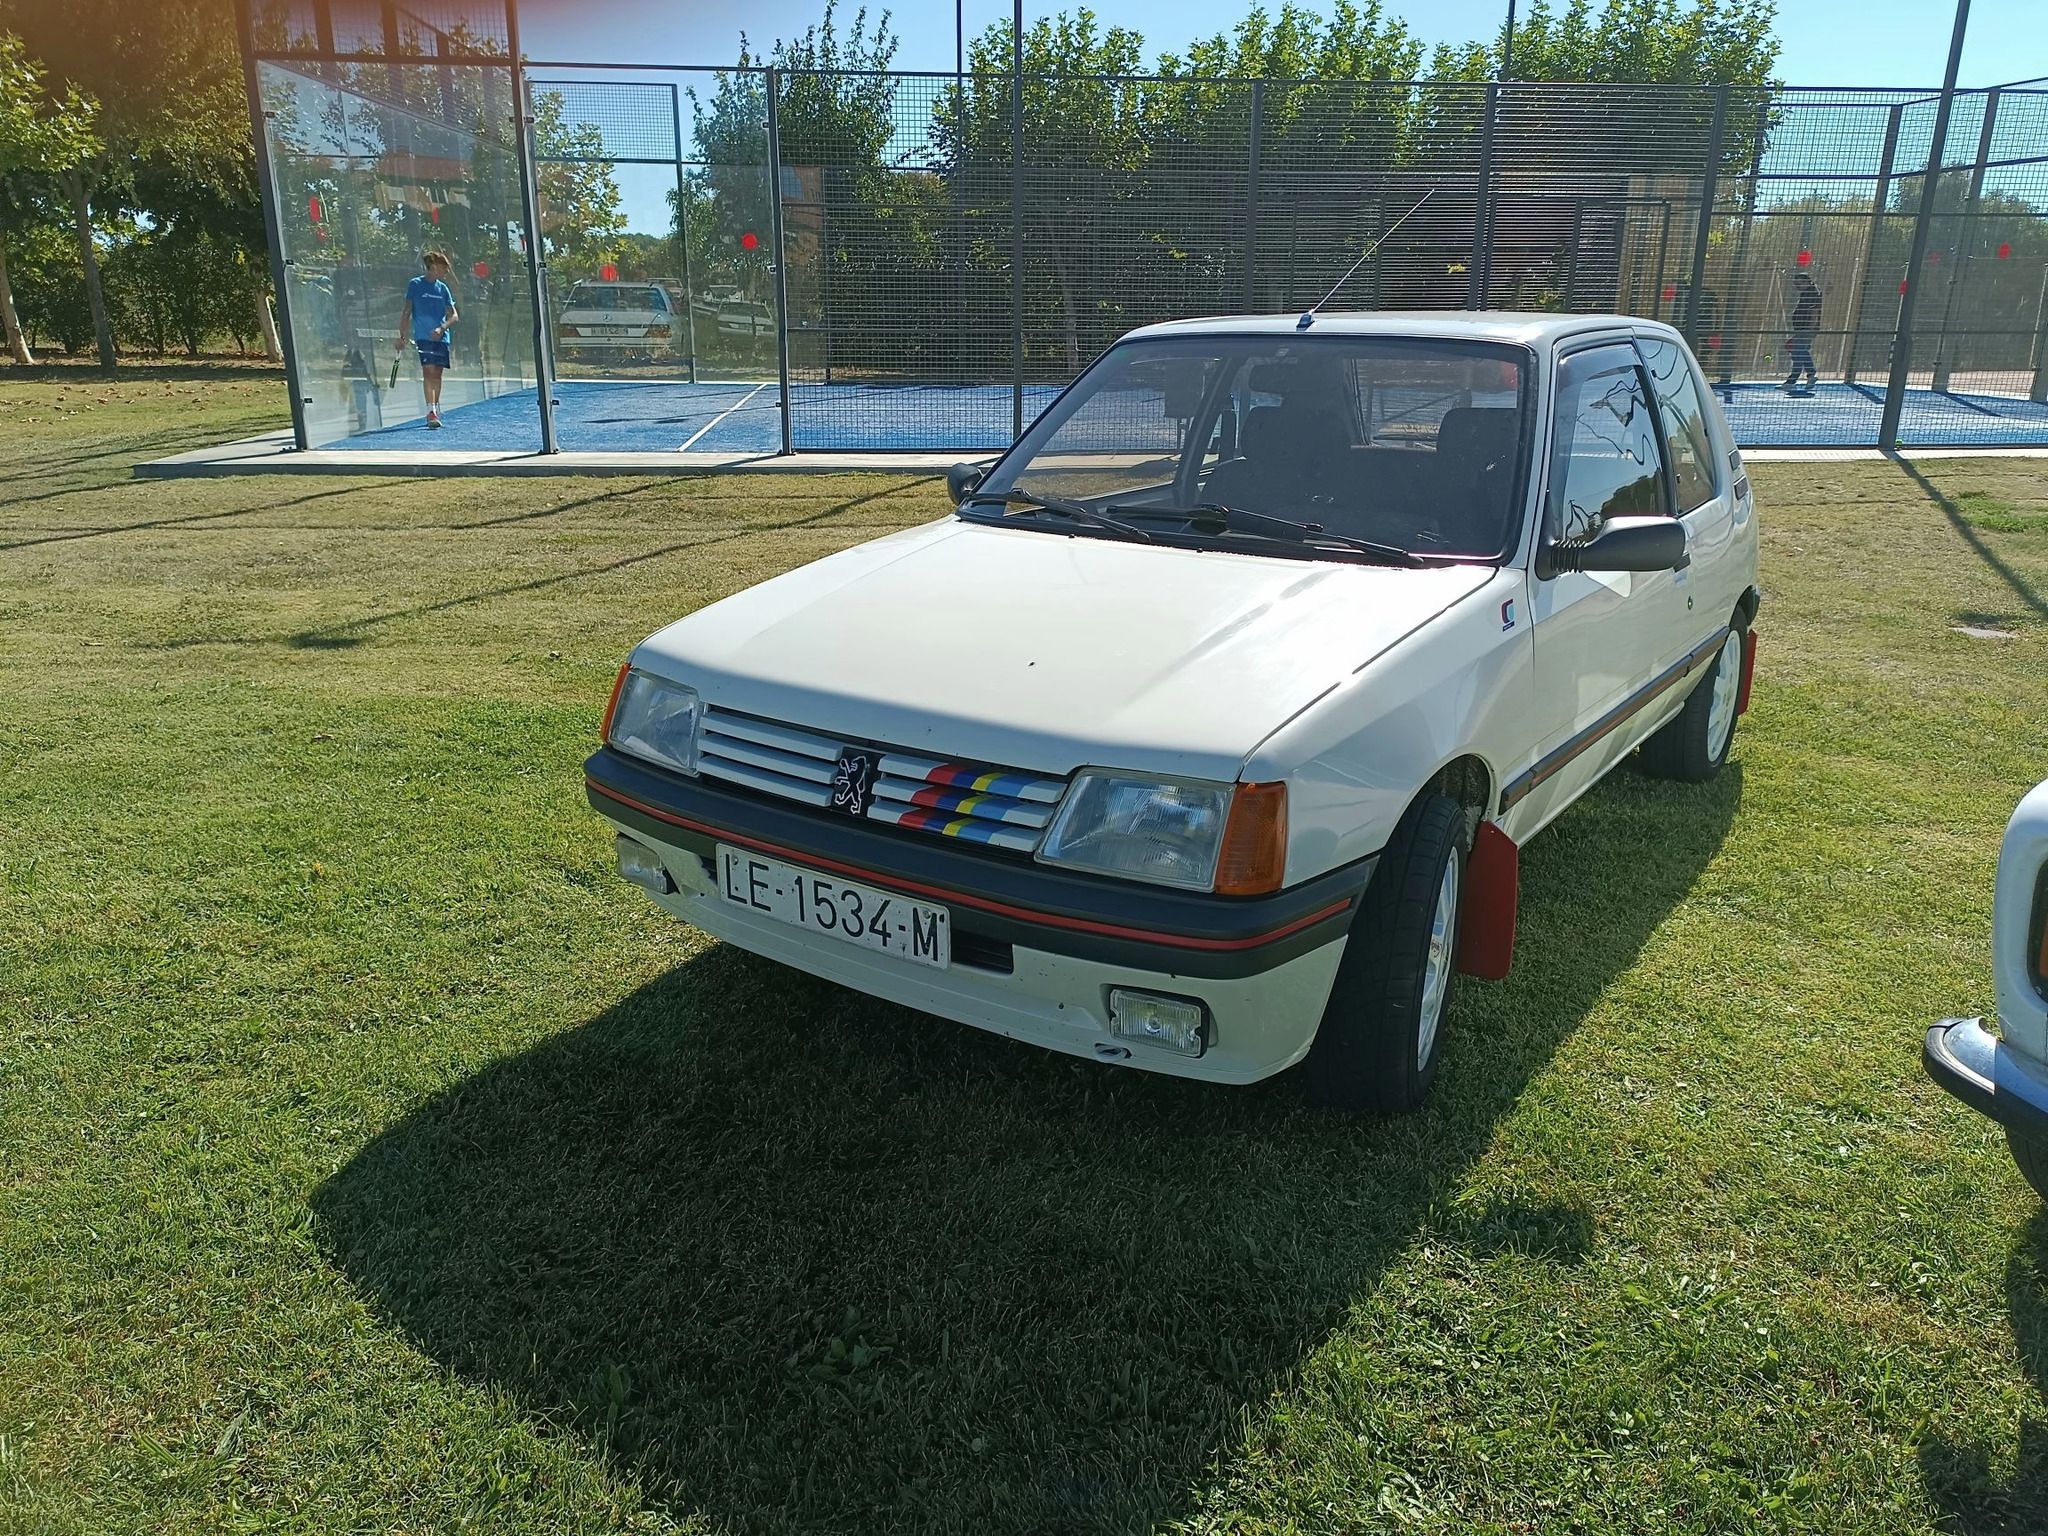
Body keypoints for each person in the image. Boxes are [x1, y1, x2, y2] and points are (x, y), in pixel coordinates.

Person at [396, 250, 460, 428]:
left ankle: (435, 407)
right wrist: (402, 336)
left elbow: (454, 315)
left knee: (437, 374)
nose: (446, 271)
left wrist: (442, 328)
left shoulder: (443, 288)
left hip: (442, 339)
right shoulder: (415, 285)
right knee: (428, 371)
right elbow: (406, 312)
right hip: (423, 337)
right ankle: (430, 410)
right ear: (433, 267)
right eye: (444, 267)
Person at [1784, 270, 1821, 394]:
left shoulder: (1812, 293)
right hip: (1801, 329)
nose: (1797, 286)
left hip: (1806, 329)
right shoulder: (1806, 293)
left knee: (1798, 353)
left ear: (1807, 282)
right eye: (1796, 283)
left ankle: (1792, 381)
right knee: (1801, 352)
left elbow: (1814, 313)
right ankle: (1810, 375)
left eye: (1799, 283)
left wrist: (1809, 329)